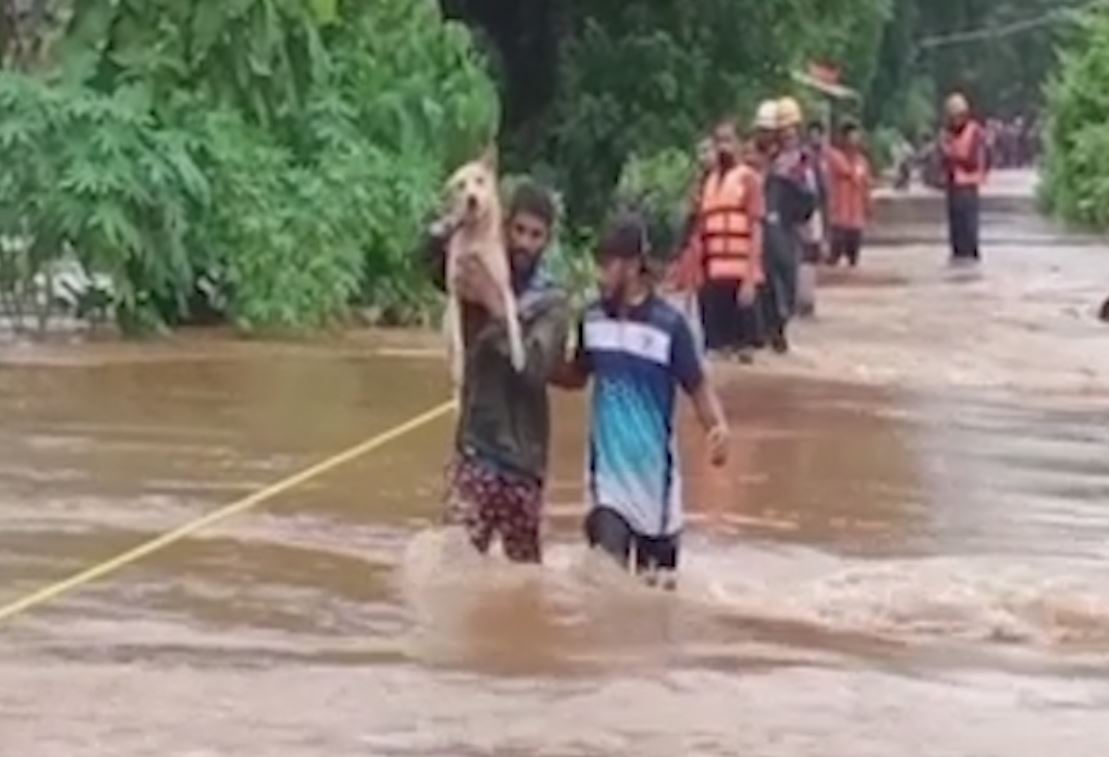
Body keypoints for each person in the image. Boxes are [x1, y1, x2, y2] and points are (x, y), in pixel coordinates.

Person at [554, 213, 730, 586]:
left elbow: (697, 385)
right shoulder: (591, 320)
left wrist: (717, 427)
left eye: (609, 264)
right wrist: (535, 367)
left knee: (656, 598)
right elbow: (576, 374)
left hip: (658, 495)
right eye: (599, 264)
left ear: (634, 266)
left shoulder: (669, 327)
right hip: (606, 487)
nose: (601, 274)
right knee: (605, 581)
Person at [420, 180, 571, 563]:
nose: (524, 242)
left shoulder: (553, 303)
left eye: (535, 235)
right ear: (504, 227)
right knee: (452, 563)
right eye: (518, 230)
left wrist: (496, 307)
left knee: (524, 576)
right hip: (476, 446)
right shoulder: (476, 269)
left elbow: (535, 367)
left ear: (547, 241)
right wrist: (458, 221)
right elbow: (431, 265)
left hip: (524, 459)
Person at [691, 117, 765, 363]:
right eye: (719, 141)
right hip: (712, 278)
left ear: (740, 144)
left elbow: (756, 229)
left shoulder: (749, 180)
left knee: (744, 355)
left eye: (729, 141)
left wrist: (750, 278)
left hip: (740, 276)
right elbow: (699, 232)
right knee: (714, 353)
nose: (724, 147)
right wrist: (694, 274)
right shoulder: (706, 182)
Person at [756, 96, 816, 353]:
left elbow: (812, 198)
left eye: (792, 129)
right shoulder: (765, 161)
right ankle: (772, 329)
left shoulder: (802, 162)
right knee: (768, 283)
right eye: (783, 130)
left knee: (787, 282)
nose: (788, 134)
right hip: (767, 229)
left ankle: (780, 324)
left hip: (788, 229)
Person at [941, 93, 988, 264]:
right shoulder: (948, 134)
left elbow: (972, 160)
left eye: (958, 116)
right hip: (953, 186)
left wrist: (951, 154)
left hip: (968, 186)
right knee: (956, 232)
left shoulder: (974, 132)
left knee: (969, 230)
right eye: (952, 117)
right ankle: (958, 258)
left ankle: (969, 258)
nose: (955, 121)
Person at [826, 121, 873, 268]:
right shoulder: (835, 157)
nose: (855, 140)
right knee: (835, 258)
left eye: (857, 137)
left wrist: (868, 205)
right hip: (839, 216)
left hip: (856, 217)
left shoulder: (862, 162)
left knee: (853, 259)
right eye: (851, 137)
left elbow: (866, 185)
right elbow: (845, 172)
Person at [797, 120, 830, 317]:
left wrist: (826, 227)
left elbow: (823, 194)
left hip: (813, 214)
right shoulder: (797, 163)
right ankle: (800, 299)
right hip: (797, 216)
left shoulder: (819, 164)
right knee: (800, 255)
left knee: (810, 255)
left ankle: (807, 300)